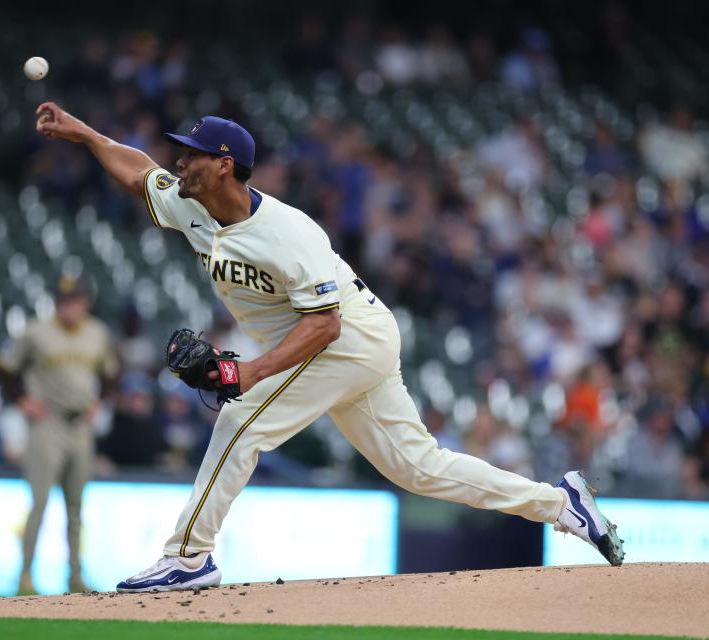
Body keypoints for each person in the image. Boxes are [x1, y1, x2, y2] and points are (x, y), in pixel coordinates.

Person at [34, 102, 625, 593]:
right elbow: (139, 172)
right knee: (419, 469)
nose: (177, 161)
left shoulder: (289, 234)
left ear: (224, 164)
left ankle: (190, 556)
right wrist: (83, 133)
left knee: (240, 420)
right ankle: (562, 503)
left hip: (350, 337)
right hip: (336, 342)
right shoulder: (191, 204)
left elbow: (325, 326)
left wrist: (251, 372)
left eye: (189, 154)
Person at [0, 276, 118, 595]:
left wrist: (99, 402)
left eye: (73, 300)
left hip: (80, 426)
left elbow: (110, 373)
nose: (67, 306)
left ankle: (75, 576)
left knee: (76, 507)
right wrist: (22, 400)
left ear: (85, 302)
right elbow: (4, 367)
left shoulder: (98, 333)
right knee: (39, 501)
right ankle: (25, 574)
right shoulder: (36, 331)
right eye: (62, 301)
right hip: (47, 423)